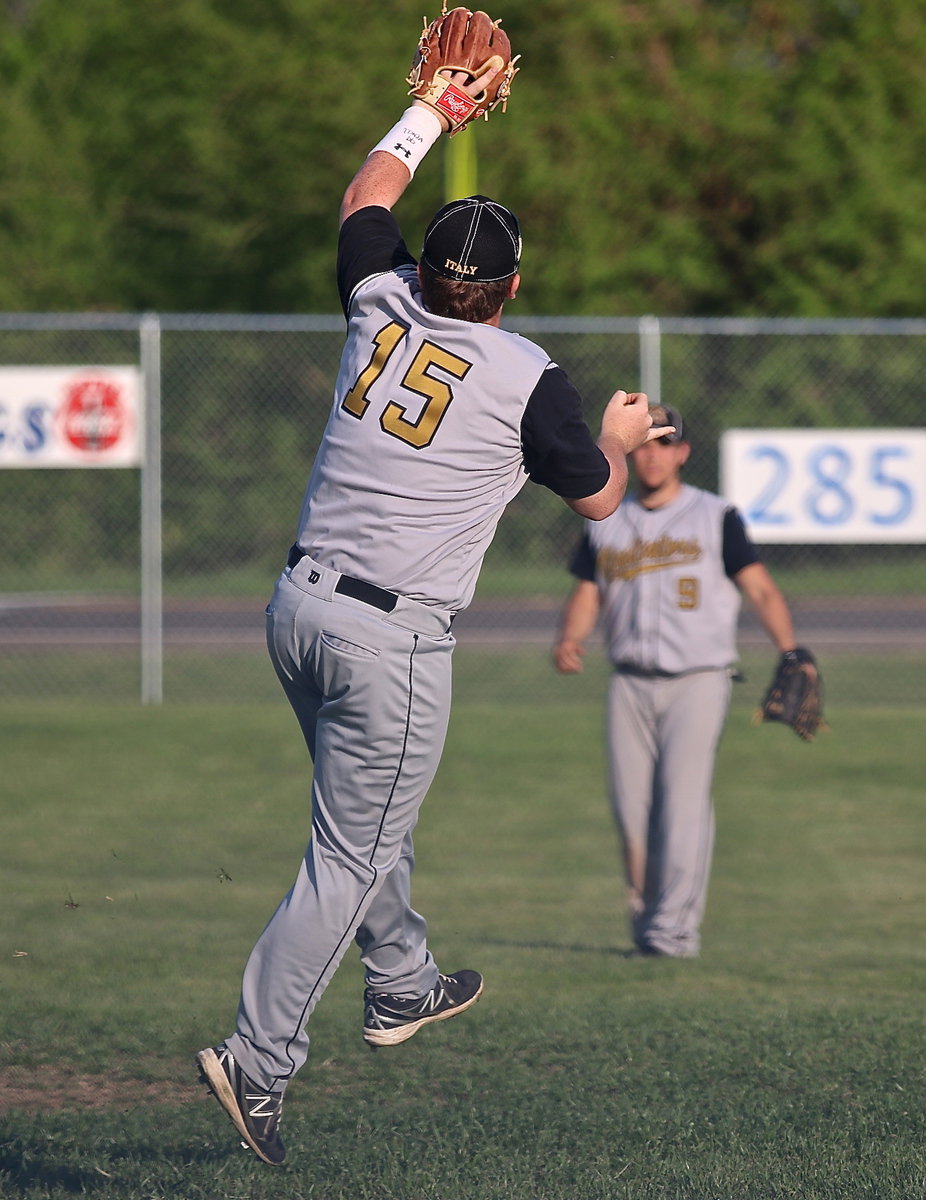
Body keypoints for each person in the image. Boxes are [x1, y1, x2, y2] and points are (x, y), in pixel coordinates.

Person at [195, 60, 669, 1166]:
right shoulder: (522, 376)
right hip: (387, 639)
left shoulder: (374, 299)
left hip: (297, 609)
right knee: (347, 855)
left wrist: (429, 113)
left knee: (368, 828)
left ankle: (401, 980)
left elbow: (365, 199)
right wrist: (622, 430)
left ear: (424, 269)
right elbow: (600, 498)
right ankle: (255, 1061)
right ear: (505, 290)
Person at [553, 404, 805, 959]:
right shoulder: (606, 518)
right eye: (644, 443)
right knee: (631, 809)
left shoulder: (715, 516)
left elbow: (760, 589)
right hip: (629, 681)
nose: (651, 454)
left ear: (683, 453)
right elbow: (587, 590)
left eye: (663, 443)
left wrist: (791, 650)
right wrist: (570, 638)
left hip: (700, 678)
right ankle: (647, 926)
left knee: (683, 804)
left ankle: (675, 932)